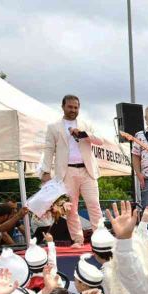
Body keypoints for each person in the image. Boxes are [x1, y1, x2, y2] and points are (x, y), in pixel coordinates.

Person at [41, 94, 104, 248]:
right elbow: (49, 149)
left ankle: (99, 238)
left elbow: (100, 140)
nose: (73, 110)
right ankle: (78, 240)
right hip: (66, 171)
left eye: (75, 107)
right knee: (71, 208)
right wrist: (45, 171)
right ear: (63, 107)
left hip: (87, 170)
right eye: (70, 107)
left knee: (94, 205)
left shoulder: (85, 124)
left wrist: (82, 133)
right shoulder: (53, 127)